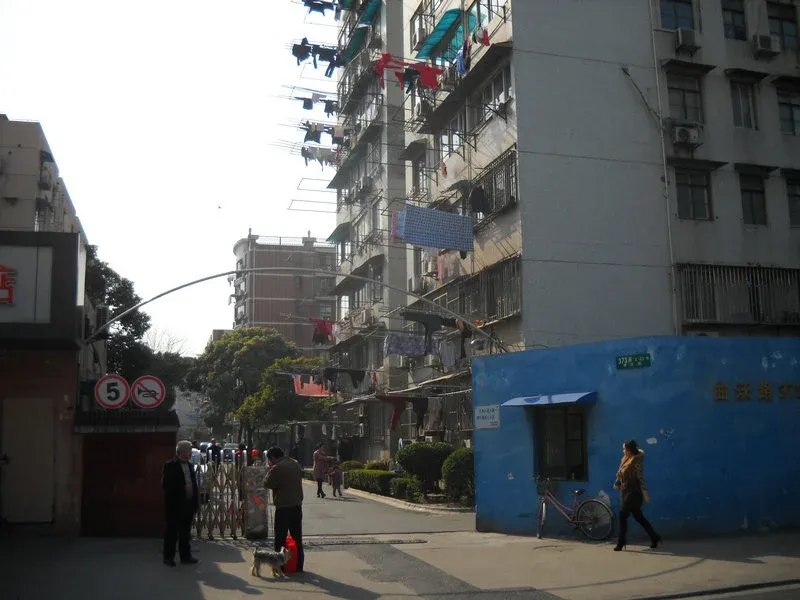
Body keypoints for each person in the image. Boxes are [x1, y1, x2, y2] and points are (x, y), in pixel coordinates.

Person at [613, 439, 661, 551]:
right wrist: (617, 483)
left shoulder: (637, 460)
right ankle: (655, 537)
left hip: (634, 493)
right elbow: (620, 473)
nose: (623, 451)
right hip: (625, 491)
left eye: (624, 449)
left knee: (622, 515)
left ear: (629, 450)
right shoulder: (625, 459)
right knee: (639, 517)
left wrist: (645, 493)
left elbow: (640, 477)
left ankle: (621, 542)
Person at [264, 447, 304, 573]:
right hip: (297, 505)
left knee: (280, 538)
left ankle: (279, 567)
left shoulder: (277, 468)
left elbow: (267, 483)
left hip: (283, 507)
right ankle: (299, 565)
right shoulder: (296, 464)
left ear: (272, 458)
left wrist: (270, 469)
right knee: (297, 537)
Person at [162, 440, 200, 567]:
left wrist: (195, 503)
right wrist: (182, 487)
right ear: (182, 452)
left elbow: (193, 484)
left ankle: (186, 556)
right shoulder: (170, 465)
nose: (190, 453)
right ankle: (168, 557)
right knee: (172, 532)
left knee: (185, 532)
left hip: (188, 504)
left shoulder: (190, 465)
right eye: (189, 451)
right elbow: (166, 485)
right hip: (175, 505)